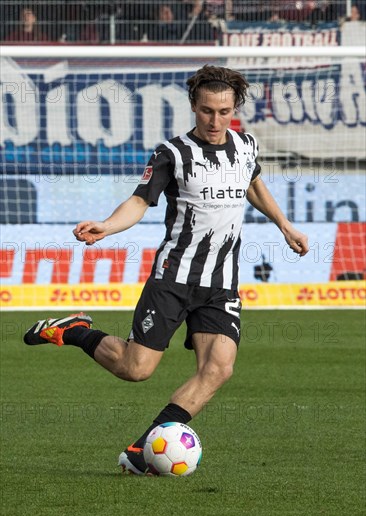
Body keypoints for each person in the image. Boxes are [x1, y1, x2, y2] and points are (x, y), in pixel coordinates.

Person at [24, 65, 309, 475]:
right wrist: (106, 225)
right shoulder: (171, 154)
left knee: (219, 368)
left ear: (235, 109)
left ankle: (143, 449)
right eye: (207, 111)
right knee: (134, 369)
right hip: (173, 279)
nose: (216, 120)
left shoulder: (246, 146)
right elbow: (140, 201)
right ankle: (76, 331)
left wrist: (284, 225)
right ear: (194, 106)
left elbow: (252, 183)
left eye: (224, 111)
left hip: (221, 283)